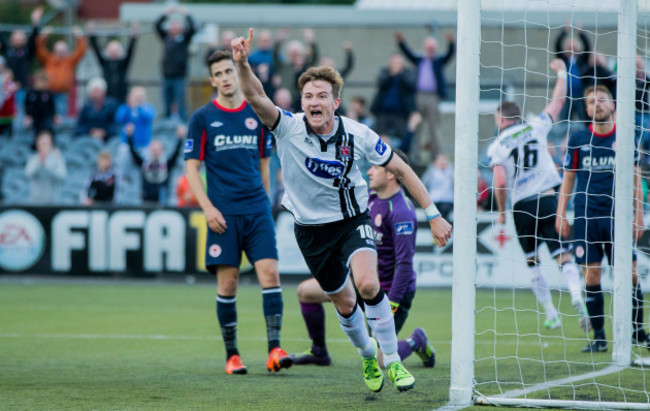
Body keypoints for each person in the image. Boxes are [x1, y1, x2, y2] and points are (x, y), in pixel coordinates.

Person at [232, 29, 452, 392]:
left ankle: (393, 362)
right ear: (301, 102)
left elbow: (401, 168)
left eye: (321, 96)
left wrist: (433, 213)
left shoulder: (358, 134)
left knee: (367, 284)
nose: (313, 102)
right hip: (310, 232)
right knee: (344, 301)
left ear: (336, 102)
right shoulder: (288, 128)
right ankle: (368, 355)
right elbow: (256, 95)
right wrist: (241, 64)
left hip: (352, 221)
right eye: (308, 96)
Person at [184, 50, 291, 375]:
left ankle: (275, 350)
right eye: (218, 74)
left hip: (256, 210)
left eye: (229, 71)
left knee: (270, 275)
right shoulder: (202, 118)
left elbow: (265, 165)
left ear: (235, 72)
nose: (225, 77)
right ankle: (232, 355)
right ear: (213, 80)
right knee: (228, 284)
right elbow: (191, 170)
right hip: (223, 214)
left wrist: (265, 200)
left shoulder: (256, 113)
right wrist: (208, 209)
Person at [291, 149, 436, 369]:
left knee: (382, 361)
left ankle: (416, 340)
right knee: (306, 292)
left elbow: (405, 266)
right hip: (359, 284)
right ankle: (319, 351)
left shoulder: (401, 212)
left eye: (375, 167)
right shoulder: (368, 200)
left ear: (390, 174)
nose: (369, 171)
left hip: (389, 292)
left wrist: (393, 301)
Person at [488, 59, 589, 331]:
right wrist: (560, 73)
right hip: (547, 198)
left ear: (500, 119)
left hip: (521, 206)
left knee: (532, 261)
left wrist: (500, 212)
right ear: (517, 116)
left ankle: (551, 313)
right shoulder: (534, 125)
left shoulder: (497, 145)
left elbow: (498, 181)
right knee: (562, 254)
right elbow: (558, 101)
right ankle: (577, 295)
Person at [556, 85, 650, 352]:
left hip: (616, 217)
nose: (595, 105)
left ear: (612, 106)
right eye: (590, 102)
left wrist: (638, 215)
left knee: (630, 275)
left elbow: (635, 177)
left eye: (601, 100)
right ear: (586, 109)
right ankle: (599, 337)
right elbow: (569, 178)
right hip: (586, 216)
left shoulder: (624, 138)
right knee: (592, 275)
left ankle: (637, 332)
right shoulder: (577, 139)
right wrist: (561, 213)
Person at [396, 31, 455, 161]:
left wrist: (451, 43)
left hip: (433, 97)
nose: (430, 50)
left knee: (434, 127)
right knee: (416, 126)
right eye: (428, 47)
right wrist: (401, 42)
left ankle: (435, 156)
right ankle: (415, 155)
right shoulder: (419, 60)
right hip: (419, 96)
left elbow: (450, 55)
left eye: (432, 48)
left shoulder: (438, 62)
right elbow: (408, 54)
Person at [0, 6, 42, 126]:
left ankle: (19, 138)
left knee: (20, 113)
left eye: (20, 38)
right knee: (6, 112)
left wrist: (35, 23)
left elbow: (34, 38)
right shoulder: (9, 51)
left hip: (21, 88)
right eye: (15, 38)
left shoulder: (27, 52)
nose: (17, 40)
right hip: (7, 88)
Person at [35, 26, 87, 118]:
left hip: (62, 94)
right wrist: (43, 36)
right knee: (47, 116)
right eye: (58, 51)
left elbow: (81, 51)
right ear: (54, 51)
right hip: (48, 93)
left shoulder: (70, 61)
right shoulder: (48, 59)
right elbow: (39, 49)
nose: (60, 53)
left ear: (66, 51)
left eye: (62, 51)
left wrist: (79, 36)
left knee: (61, 117)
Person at [155, 6, 196, 120]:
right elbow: (157, 26)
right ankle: (166, 126)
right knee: (166, 104)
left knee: (181, 103)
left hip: (180, 77)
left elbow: (193, 27)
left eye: (177, 24)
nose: (174, 26)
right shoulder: (166, 38)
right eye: (172, 24)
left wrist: (187, 14)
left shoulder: (184, 39)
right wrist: (165, 14)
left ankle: (184, 125)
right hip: (166, 76)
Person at [128, 124, 184, 205]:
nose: (155, 152)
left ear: (162, 150)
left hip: (163, 203)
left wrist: (180, 138)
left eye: (157, 150)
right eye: (153, 149)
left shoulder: (167, 164)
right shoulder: (144, 164)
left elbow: (176, 153)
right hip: (146, 202)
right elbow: (133, 153)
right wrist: (130, 136)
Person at [88, 21, 138, 103]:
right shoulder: (105, 63)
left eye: (116, 50)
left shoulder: (123, 63)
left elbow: (130, 51)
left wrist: (134, 35)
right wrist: (91, 34)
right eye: (111, 50)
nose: (113, 52)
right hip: (108, 96)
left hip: (122, 96)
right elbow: (96, 50)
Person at [370, 54, 417, 140]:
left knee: (404, 136)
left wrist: (401, 74)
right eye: (394, 63)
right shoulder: (385, 72)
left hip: (400, 113)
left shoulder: (407, 73)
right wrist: (391, 75)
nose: (395, 65)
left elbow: (411, 85)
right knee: (380, 136)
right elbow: (380, 84)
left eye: (398, 63)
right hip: (383, 112)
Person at [554, 24, 592, 124]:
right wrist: (564, 31)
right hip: (566, 95)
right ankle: (563, 139)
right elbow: (557, 45)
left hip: (581, 95)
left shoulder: (582, 60)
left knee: (584, 120)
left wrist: (580, 32)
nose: (572, 48)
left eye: (574, 47)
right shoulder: (564, 60)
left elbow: (588, 46)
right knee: (564, 121)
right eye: (570, 47)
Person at [25, 130, 66, 204]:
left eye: (46, 143)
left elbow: (61, 177)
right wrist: (40, 163)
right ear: (37, 144)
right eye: (42, 143)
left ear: (51, 144)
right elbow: (28, 175)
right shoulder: (33, 159)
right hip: (35, 202)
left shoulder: (57, 159)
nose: (44, 146)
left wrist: (47, 165)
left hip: (53, 202)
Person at [24, 70, 56, 142]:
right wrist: (28, 115)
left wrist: (54, 116)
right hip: (35, 119)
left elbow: (52, 106)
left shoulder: (48, 93)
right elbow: (27, 105)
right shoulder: (31, 93)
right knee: (35, 135)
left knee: (47, 132)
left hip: (46, 118)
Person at [421, 154, 454, 222]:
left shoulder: (451, 172)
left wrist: (451, 170)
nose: (442, 164)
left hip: (447, 200)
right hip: (434, 199)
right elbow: (424, 182)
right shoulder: (431, 171)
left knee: (444, 211)